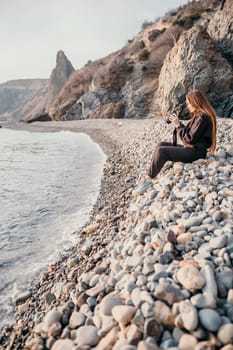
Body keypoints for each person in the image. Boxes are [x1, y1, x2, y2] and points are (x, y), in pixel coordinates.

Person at [148, 89, 217, 179]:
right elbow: (191, 133)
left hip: (196, 153)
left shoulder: (202, 117)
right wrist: (179, 124)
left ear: (195, 102)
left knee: (162, 151)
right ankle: (152, 171)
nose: (188, 106)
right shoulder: (199, 115)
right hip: (192, 149)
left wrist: (178, 126)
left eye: (189, 103)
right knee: (161, 144)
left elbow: (190, 139)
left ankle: (150, 177)